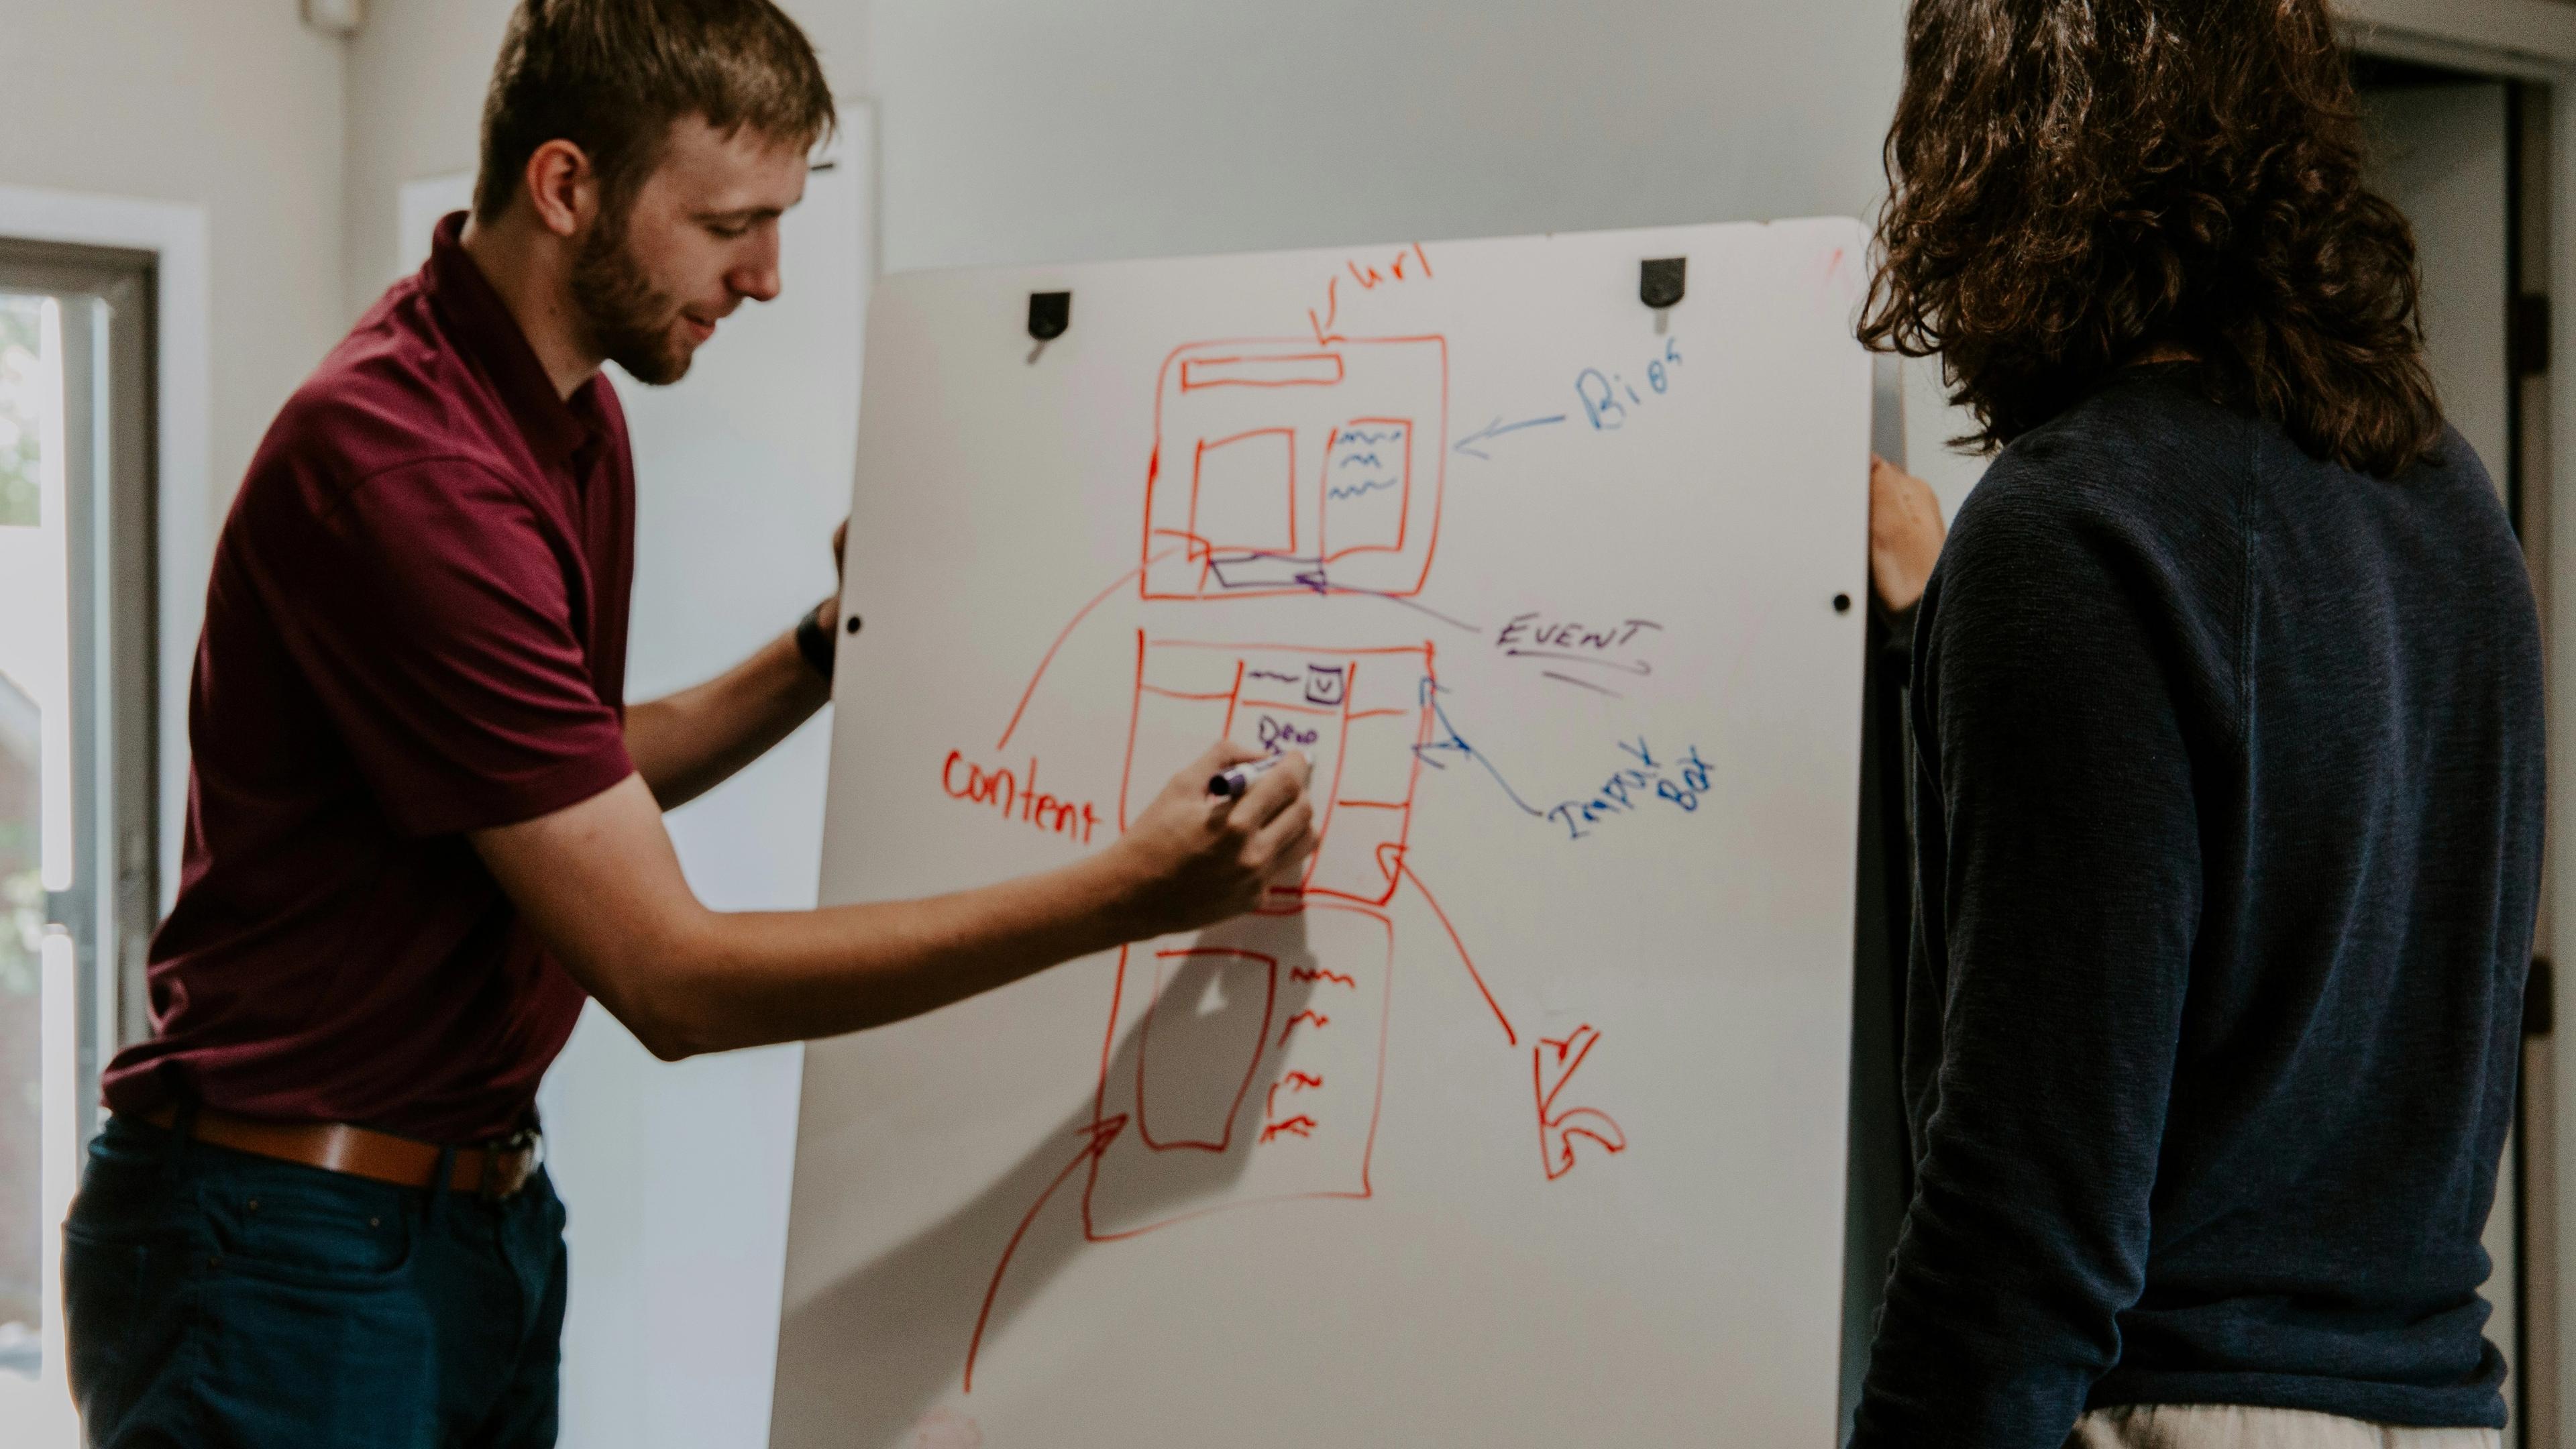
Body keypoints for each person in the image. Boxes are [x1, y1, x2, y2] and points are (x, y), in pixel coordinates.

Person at [59, 3, 1313, 1443]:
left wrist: (823, 652)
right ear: (566, 186)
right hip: (283, 1247)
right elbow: (674, 981)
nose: (767, 276)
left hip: (467, 1219)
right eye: (731, 224)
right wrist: (1132, 893)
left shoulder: (569, 420)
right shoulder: (407, 468)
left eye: (781, 221)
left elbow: (564, 779)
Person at [1848, 3, 2538, 1448]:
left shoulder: (2071, 534)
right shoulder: (2445, 498)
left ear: (1997, 155)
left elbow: (2027, 1205)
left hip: (2179, 1411)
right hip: (2440, 1410)